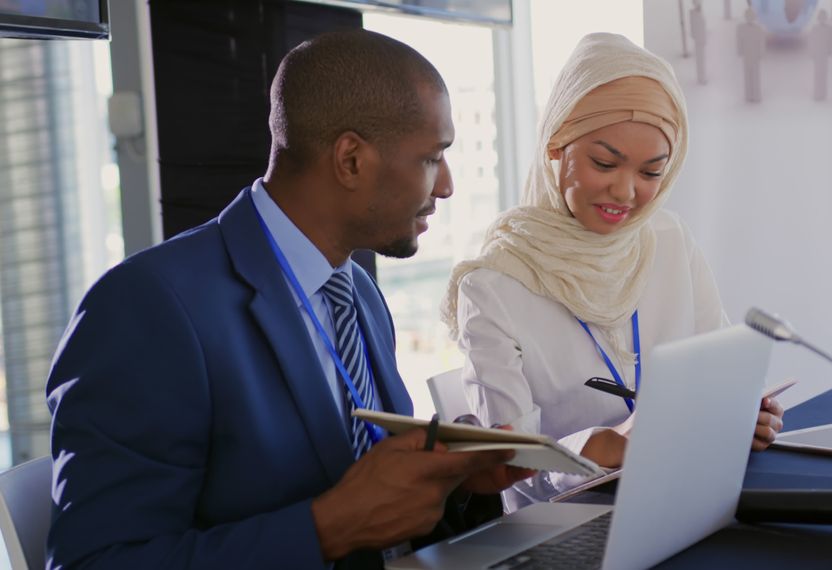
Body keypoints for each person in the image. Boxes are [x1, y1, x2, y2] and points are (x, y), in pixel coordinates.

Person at [45, 30, 530, 569]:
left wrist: (455, 486)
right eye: (432, 159)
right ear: (350, 160)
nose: (447, 186)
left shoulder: (356, 291)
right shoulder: (146, 307)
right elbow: (93, 563)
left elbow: (380, 516)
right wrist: (325, 529)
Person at [440, 33, 785, 510]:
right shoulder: (495, 285)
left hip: (685, 498)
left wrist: (742, 414)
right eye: (605, 163)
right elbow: (511, 467)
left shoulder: (667, 240)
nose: (626, 193)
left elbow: (716, 369)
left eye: (651, 173)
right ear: (555, 147)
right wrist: (608, 445)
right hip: (567, 525)